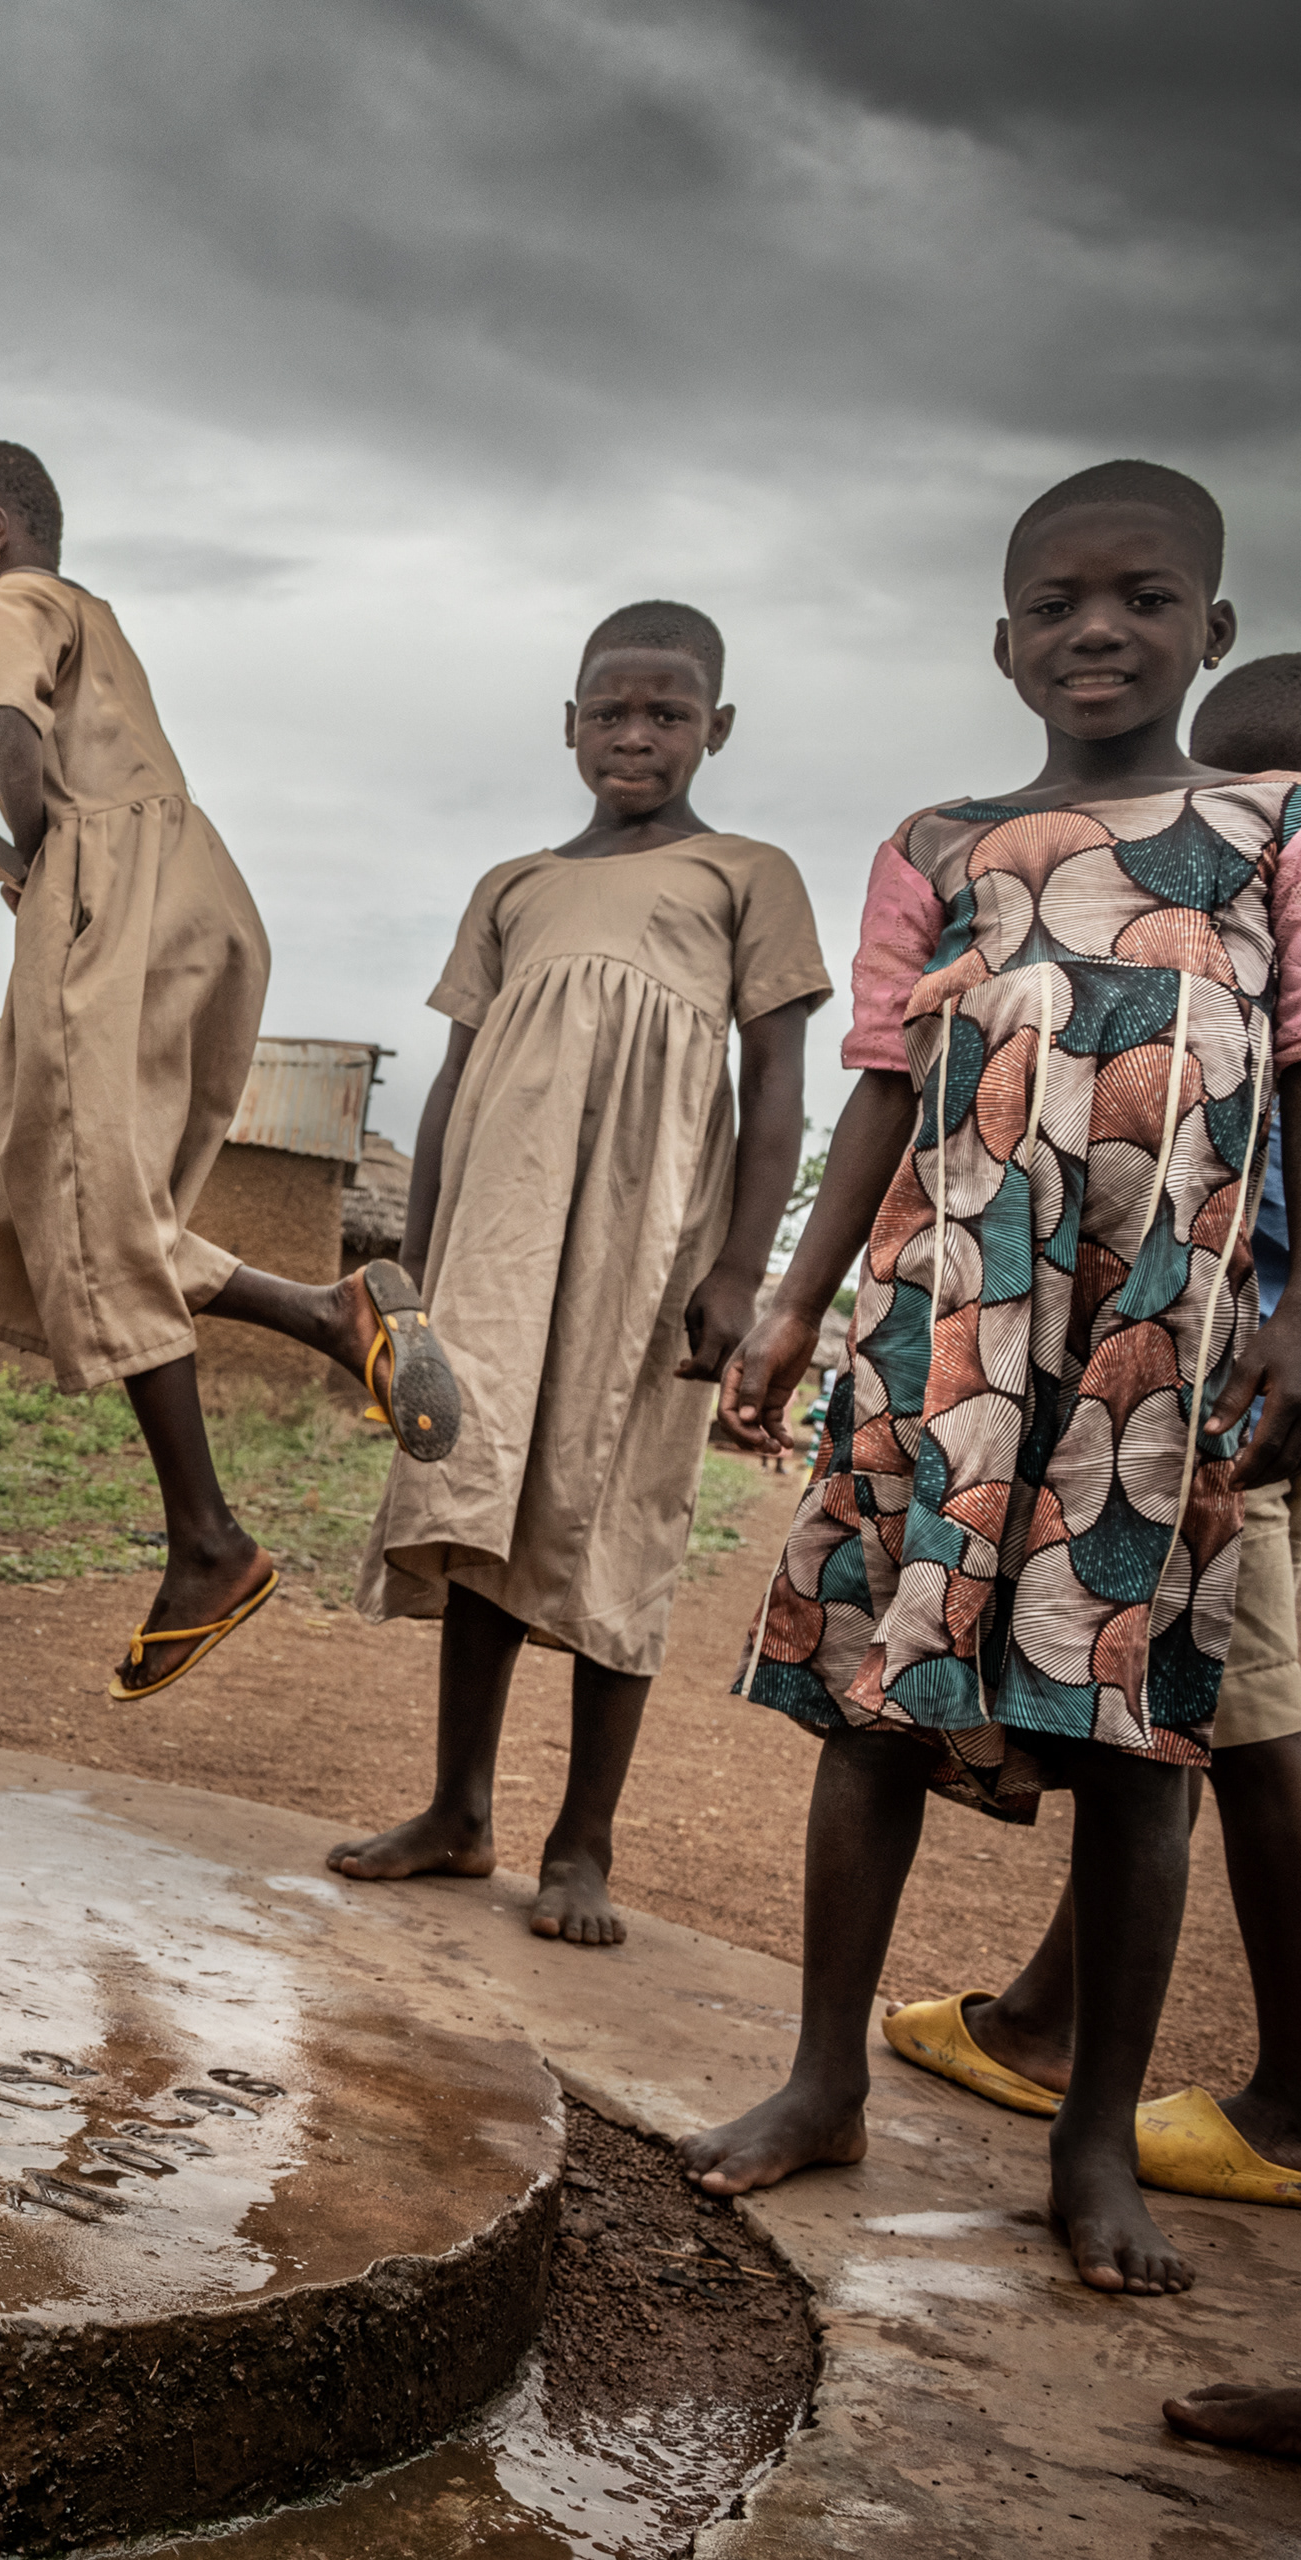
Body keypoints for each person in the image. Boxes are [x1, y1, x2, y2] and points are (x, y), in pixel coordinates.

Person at [699, 460, 1300, 2300]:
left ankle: (1094, 2137)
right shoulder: (939, 845)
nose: (1096, 631)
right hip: (947, 1317)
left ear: (1209, 627)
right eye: (1056, 603)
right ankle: (821, 2077)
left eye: (1139, 600)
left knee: (1138, 1724)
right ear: (1002, 639)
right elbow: (883, 1079)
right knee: (874, 1695)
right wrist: (795, 1306)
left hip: (1157, 1343)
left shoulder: (1272, 830)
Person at [0, 440, 462, 1704]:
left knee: (86, 1201)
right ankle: (331, 1314)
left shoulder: (11, 601)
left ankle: (206, 1538)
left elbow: (9, 723)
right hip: (197, 898)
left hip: (113, 900)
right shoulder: (100, 621)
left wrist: (42, 854)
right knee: (44, 1209)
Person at [328, 603, 826, 1947]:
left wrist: (741, 1268)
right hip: (494, 1240)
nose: (636, 736)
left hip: (645, 1243)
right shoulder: (513, 886)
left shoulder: (748, 875)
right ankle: (456, 1811)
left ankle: (583, 1843)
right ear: (569, 724)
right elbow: (451, 1085)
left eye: (667, 715)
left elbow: (776, 1082)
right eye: (610, 711)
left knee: (619, 1506)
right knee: (474, 1492)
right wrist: (416, 1261)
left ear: (714, 730)